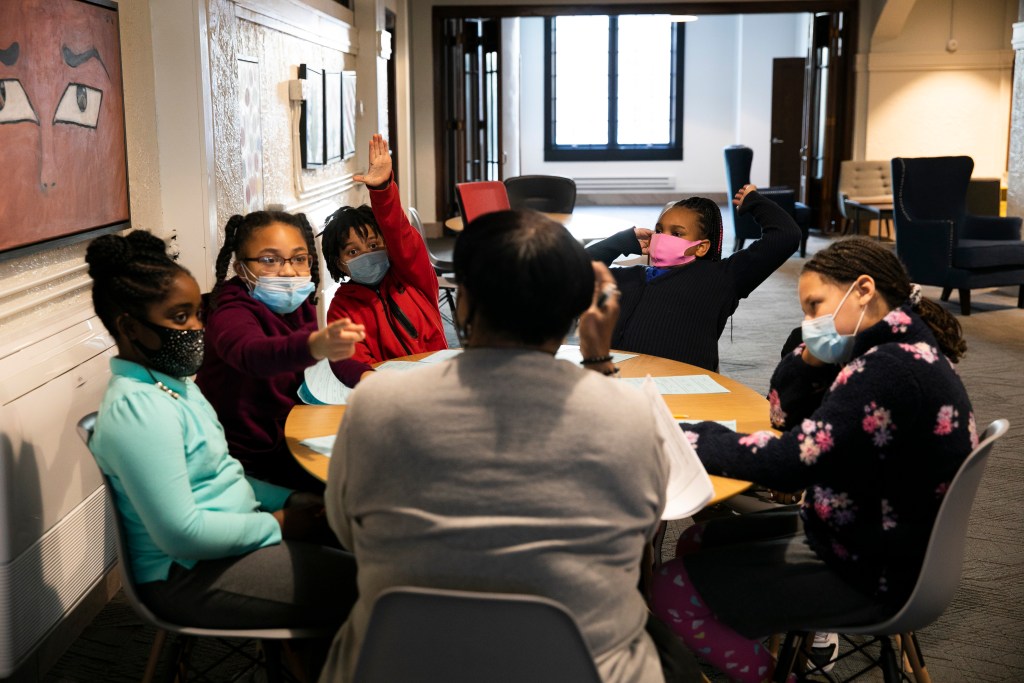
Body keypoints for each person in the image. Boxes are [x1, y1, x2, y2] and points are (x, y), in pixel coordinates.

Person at [319, 210, 699, 683]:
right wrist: (597, 360)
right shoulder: (629, 414)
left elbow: (346, 529)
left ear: (461, 305)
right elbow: (641, 534)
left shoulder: (377, 402)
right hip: (582, 665)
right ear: (577, 311)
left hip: (400, 660)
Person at [650, 238, 975, 683]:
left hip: (869, 568)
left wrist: (685, 436)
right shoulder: (900, 350)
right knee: (699, 542)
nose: (809, 323)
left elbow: (790, 462)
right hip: (872, 538)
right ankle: (740, 628)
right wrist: (807, 358)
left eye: (815, 306)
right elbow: (784, 416)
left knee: (670, 588)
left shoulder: (886, 368)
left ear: (863, 290)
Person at [84, 231, 358, 675]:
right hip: (189, 574)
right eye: (179, 318)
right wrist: (281, 524)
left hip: (228, 544)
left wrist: (286, 501)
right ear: (131, 328)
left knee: (361, 547)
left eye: (197, 315)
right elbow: (183, 534)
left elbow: (224, 474)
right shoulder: (139, 409)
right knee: (372, 584)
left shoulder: (173, 388)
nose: (197, 329)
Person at [197, 209, 370, 491]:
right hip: (247, 460)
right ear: (241, 268)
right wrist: (313, 345)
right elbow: (252, 354)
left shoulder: (297, 300)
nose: (288, 271)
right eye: (270, 260)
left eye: (299, 259)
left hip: (293, 434)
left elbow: (323, 360)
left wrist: (367, 377)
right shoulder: (229, 310)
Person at [586, 185, 801, 371]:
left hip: (679, 386)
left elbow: (785, 236)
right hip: (619, 382)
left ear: (701, 247)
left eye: (677, 234)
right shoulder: (627, 276)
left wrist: (754, 202)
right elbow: (573, 268)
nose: (662, 238)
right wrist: (622, 241)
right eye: (659, 231)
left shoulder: (721, 278)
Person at [320, 134, 448, 363]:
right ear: (339, 262)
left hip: (437, 380)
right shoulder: (341, 309)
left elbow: (399, 232)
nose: (366, 255)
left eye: (373, 245)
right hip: (388, 391)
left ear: (387, 246)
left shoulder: (412, 278)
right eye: (353, 252)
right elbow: (355, 364)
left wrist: (382, 190)